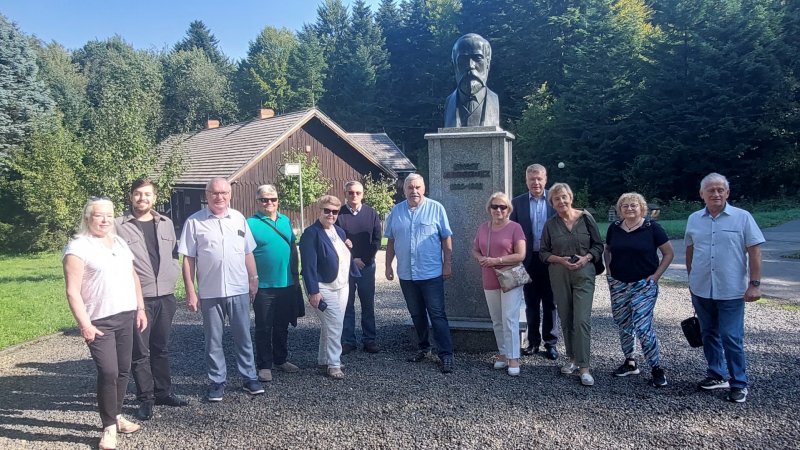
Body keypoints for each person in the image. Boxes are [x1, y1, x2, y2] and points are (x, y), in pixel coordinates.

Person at [63, 197, 147, 449]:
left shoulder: (119, 242)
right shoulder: (78, 247)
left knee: (122, 370)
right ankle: (108, 428)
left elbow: (133, 276)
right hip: (98, 320)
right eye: (99, 215)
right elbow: (72, 291)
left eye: (109, 216)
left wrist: (140, 308)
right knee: (108, 371)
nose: (105, 220)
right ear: (88, 217)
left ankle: (117, 415)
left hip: (125, 315)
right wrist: (85, 325)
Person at [178, 177, 264, 401]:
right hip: (210, 291)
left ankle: (249, 377)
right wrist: (190, 291)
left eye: (224, 193)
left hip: (238, 288)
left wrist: (253, 278)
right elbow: (188, 259)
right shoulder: (195, 222)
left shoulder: (238, 219)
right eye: (214, 193)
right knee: (213, 339)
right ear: (207, 196)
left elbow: (248, 252)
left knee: (243, 335)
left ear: (230, 195)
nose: (219, 197)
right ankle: (217, 381)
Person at [685, 173, 764, 403]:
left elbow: (755, 252)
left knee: (731, 336)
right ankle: (716, 374)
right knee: (708, 333)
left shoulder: (742, 217)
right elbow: (690, 250)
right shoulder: (693, 219)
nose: (716, 193)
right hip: (701, 288)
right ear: (702, 194)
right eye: (710, 190)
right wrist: (691, 280)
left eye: (720, 189)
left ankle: (739, 382)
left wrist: (755, 284)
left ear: (727, 193)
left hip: (731, 290)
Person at [116, 179, 188, 421]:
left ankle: (164, 392)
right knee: (140, 352)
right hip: (139, 299)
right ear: (131, 196)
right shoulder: (118, 226)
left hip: (165, 297)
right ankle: (145, 399)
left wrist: (173, 275)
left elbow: (173, 255)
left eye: (147, 194)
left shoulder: (166, 224)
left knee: (161, 347)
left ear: (154, 198)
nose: (142, 198)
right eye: (137, 194)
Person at [384, 174, 455, 373]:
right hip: (406, 274)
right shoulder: (396, 211)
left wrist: (447, 263)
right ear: (404, 190)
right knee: (416, 313)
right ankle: (424, 348)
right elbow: (390, 241)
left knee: (437, 314)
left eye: (417, 187)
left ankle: (446, 354)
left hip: (431, 273)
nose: (414, 191)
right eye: (410, 187)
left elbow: (446, 238)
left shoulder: (436, 208)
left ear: (424, 188)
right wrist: (388, 265)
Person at [603, 192, 674, 387]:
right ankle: (630, 361)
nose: (629, 208)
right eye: (625, 206)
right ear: (620, 210)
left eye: (633, 205)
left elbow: (668, 253)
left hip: (643, 284)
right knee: (623, 323)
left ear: (641, 207)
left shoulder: (652, 228)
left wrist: (656, 276)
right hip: (619, 283)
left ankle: (656, 367)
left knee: (643, 327)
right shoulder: (615, 228)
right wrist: (609, 271)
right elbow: (607, 250)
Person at [540, 183, 604, 387]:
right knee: (566, 317)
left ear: (571, 197)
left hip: (584, 272)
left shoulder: (586, 218)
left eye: (564, 197)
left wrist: (586, 259)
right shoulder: (550, 224)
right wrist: (559, 259)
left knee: (582, 319)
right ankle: (572, 359)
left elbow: (598, 245)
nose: (561, 201)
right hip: (559, 273)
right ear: (552, 203)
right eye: (556, 199)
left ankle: (584, 367)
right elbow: (543, 252)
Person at [299, 195, 360, 380]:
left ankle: (324, 359)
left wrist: (348, 247)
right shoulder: (311, 233)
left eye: (335, 211)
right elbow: (308, 266)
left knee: (330, 325)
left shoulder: (339, 232)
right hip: (322, 286)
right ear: (319, 211)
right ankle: (334, 364)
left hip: (341, 285)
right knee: (335, 324)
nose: (331, 214)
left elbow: (340, 257)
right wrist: (313, 291)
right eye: (327, 210)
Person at [247, 184, 302, 383]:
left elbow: (293, 247)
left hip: (286, 283)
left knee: (282, 325)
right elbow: (244, 254)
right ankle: (264, 365)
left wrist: (296, 276)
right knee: (263, 326)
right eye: (264, 199)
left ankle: (281, 359)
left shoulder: (285, 220)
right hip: (263, 286)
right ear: (257, 201)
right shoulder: (249, 224)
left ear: (278, 200)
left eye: (273, 199)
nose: (269, 203)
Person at [472, 192, 527, 376]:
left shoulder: (515, 228)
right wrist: (480, 258)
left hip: (510, 278)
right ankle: (503, 354)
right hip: (489, 277)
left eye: (502, 207)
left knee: (510, 319)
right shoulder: (483, 228)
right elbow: (475, 249)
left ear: (508, 209)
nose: (498, 210)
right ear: (489, 209)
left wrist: (497, 260)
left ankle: (514, 357)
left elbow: (520, 255)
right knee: (497, 319)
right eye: (495, 206)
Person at [510, 163, 559, 359]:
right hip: (528, 261)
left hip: (551, 260)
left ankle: (550, 343)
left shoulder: (555, 200)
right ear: (526, 181)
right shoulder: (518, 203)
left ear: (545, 179)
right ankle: (533, 342)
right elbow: (512, 232)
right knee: (530, 304)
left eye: (539, 178)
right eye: (532, 179)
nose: (536, 182)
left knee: (550, 303)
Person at [336, 180, 382, 354]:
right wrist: (352, 259)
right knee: (346, 304)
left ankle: (369, 340)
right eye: (350, 193)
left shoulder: (371, 213)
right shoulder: (338, 214)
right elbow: (335, 240)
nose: (354, 195)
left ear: (362, 194)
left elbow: (377, 240)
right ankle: (348, 341)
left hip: (366, 266)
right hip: (346, 267)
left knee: (367, 304)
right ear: (345, 194)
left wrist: (364, 259)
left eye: (357, 192)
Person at [444, 33, 500, 128]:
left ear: (488, 63)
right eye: (463, 59)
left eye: (477, 58)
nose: (470, 65)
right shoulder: (449, 102)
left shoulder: (494, 100)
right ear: (454, 64)